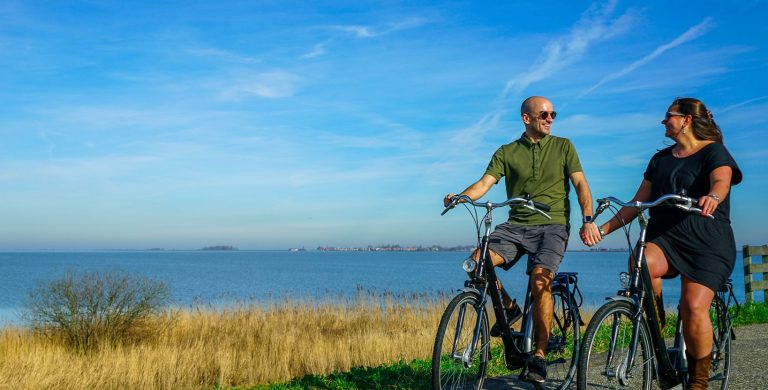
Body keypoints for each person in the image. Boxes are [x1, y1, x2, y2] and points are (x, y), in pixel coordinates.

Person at [444, 96, 601, 384]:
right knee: (478, 263)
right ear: (527, 119)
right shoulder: (507, 151)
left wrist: (588, 219)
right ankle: (508, 307)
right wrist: (461, 197)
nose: (550, 118)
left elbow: (580, 184)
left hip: (552, 226)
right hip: (516, 225)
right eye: (544, 114)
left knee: (540, 281)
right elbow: (484, 183)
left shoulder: (564, 146)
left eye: (553, 113)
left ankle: (539, 356)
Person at [594, 97, 742, 390]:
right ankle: (655, 325)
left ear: (686, 120)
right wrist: (602, 229)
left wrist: (712, 196)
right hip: (665, 237)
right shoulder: (659, 160)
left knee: (692, 306)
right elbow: (637, 203)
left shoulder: (714, 152)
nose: (663, 121)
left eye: (668, 116)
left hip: (706, 240)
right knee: (641, 262)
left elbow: (722, 181)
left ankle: (698, 382)